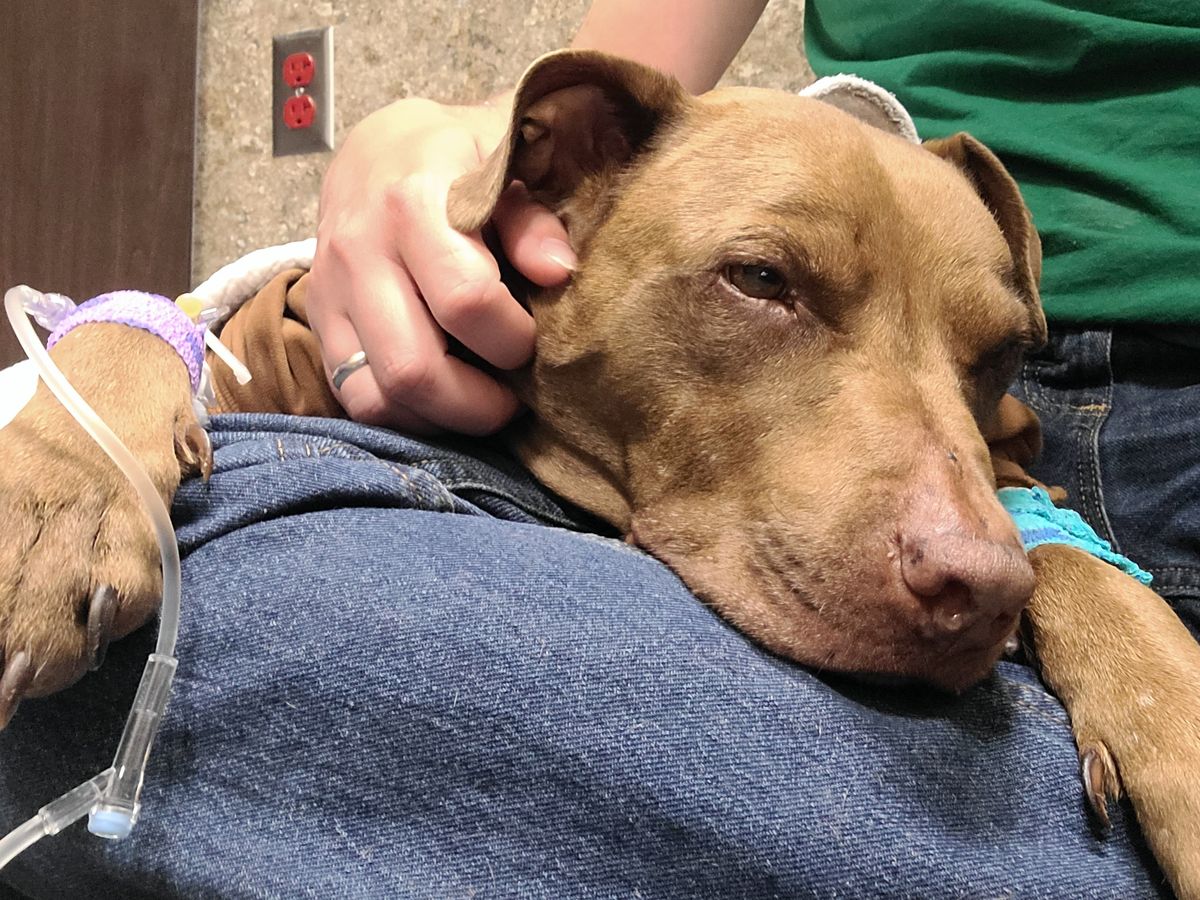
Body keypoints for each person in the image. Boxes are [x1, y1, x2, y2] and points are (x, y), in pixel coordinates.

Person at [1, 1, 1194, 896]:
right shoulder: (575, 230)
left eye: (980, 357)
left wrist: (1109, 620)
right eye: (765, 282)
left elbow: (1005, 499)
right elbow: (219, 342)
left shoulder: (979, 440)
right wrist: (112, 371)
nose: (976, 558)